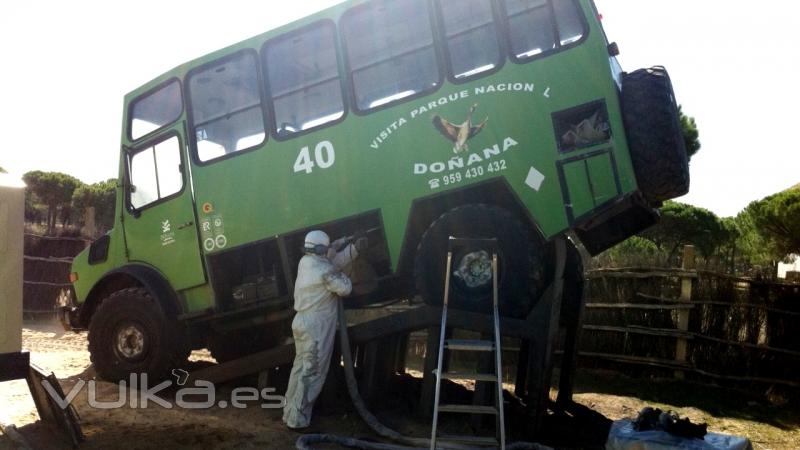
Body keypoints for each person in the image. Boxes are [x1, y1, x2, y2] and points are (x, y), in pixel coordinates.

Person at [282, 229, 366, 430]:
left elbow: (331, 261)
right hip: (316, 327)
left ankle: (289, 413)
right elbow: (345, 287)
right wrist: (345, 252)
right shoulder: (324, 271)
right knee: (313, 372)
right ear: (322, 249)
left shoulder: (306, 262)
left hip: (301, 322)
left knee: (300, 369)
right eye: (327, 247)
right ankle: (298, 420)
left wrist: (352, 248)